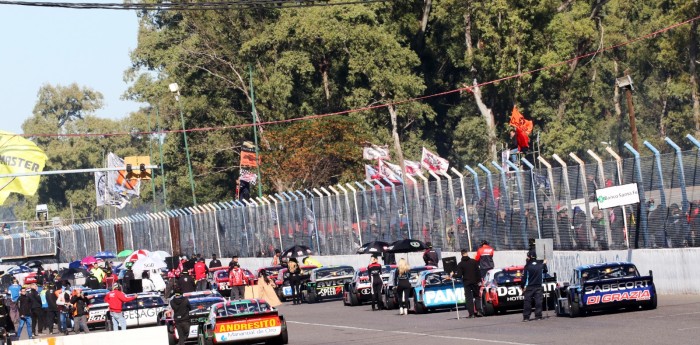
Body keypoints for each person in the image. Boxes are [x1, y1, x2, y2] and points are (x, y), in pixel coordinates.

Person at [451, 249, 483, 318]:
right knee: (477, 296)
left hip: (467, 282)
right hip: (475, 282)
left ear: (461, 254)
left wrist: (453, 275)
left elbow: (459, 275)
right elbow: (478, 273)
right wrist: (479, 281)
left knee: (469, 298)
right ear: (467, 253)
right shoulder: (474, 262)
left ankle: (471, 314)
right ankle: (479, 311)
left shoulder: (460, 264)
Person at [521, 251, 548, 322]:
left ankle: (526, 317)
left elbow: (524, 277)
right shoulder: (540, 264)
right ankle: (538, 316)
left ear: (529, 257)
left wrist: (522, 286)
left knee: (527, 302)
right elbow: (545, 271)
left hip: (529, 286)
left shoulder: (527, 266)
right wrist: (545, 263)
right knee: (538, 301)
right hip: (538, 286)